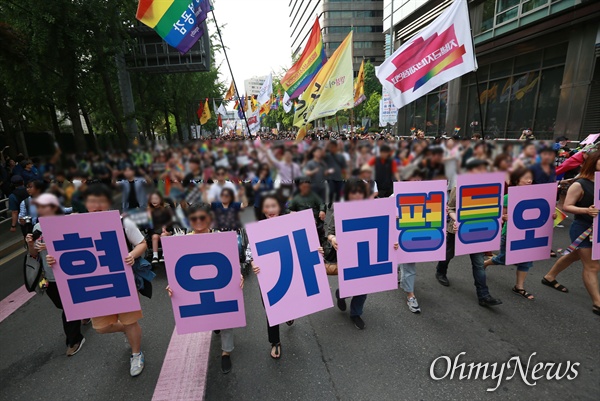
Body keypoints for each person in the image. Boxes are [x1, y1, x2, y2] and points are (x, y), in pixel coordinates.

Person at [46, 184, 148, 376]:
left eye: (101, 200)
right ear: (85, 203)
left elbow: (142, 243)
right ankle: (128, 332)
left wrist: (132, 255)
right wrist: (54, 259)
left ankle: (136, 353)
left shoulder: (121, 222)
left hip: (121, 282)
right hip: (95, 285)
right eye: (92, 200)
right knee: (101, 327)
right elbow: (63, 251)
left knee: (130, 321)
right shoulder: (73, 224)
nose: (97, 204)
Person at [166, 203, 245, 373]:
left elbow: (232, 265)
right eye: (194, 218)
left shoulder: (222, 238)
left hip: (220, 285)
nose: (199, 222)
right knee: (211, 316)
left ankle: (226, 352)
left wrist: (238, 276)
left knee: (226, 318)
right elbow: (175, 273)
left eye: (203, 217)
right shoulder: (181, 242)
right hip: (198, 288)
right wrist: (172, 287)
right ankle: (215, 325)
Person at [434, 159, 503, 307]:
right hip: (457, 229)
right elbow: (450, 209)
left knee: (478, 263)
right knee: (448, 254)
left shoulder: (490, 190)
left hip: (477, 232)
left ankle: (483, 295)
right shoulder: (459, 188)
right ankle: (441, 271)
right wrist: (458, 220)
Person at [25, 193, 86, 356]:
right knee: (62, 305)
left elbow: (78, 245)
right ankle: (84, 311)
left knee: (68, 307)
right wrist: (31, 244)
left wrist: (52, 245)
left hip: (69, 273)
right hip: (49, 276)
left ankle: (74, 340)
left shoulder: (67, 223)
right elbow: (34, 254)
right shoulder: (37, 228)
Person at [542, 151, 600, 316]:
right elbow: (567, 206)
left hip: (599, 229)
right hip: (583, 227)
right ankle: (598, 303)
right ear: (594, 162)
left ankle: (549, 276)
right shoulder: (580, 184)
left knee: (575, 255)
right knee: (593, 265)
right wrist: (586, 210)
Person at [484, 167, 549, 300]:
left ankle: (519, 287)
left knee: (526, 260)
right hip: (509, 234)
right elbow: (500, 215)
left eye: (530, 177)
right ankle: (484, 264)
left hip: (529, 233)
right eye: (525, 177)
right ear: (516, 179)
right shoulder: (508, 197)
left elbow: (542, 212)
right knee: (504, 258)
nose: (529, 180)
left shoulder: (537, 194)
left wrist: (551, 216)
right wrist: (505, 217)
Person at [249, 194, 295, 359]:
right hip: (267, 275)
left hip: (289, 270)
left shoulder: (291, 223)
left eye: (273, 206)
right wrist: (252, 262)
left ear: (280, 207)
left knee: (289, 299)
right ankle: (275, 341)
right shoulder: (257, 227)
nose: (270, 210)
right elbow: (249, 252)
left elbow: (304, 243)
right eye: (266, 207)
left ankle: (289, 313)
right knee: (271, 308)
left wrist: (316, 250)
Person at [326, 179, 371, 329]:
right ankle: (341, 293)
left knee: (364, 286)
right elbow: (329, 231)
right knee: (350, 282)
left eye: (360, 191)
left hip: (366, 250)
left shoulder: (372, 207)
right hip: (346, 252)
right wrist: (333, 239)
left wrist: (392, 243)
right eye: (353, 192)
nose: (357, 195)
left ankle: (356, 313)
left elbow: (384, 227)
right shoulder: (339, 209)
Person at [147, 191, 174, 265]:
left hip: (167, 230)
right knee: (154, 236)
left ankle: (164, 255)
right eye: (152, 199)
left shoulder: (167, 208)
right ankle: (155, 256)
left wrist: (165, 226)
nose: (154, 201)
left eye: (156, 198)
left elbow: (172, 220)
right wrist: (149, 217)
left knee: (163, 235)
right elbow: (149, 225)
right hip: (155, 231)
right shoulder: (149, 210)